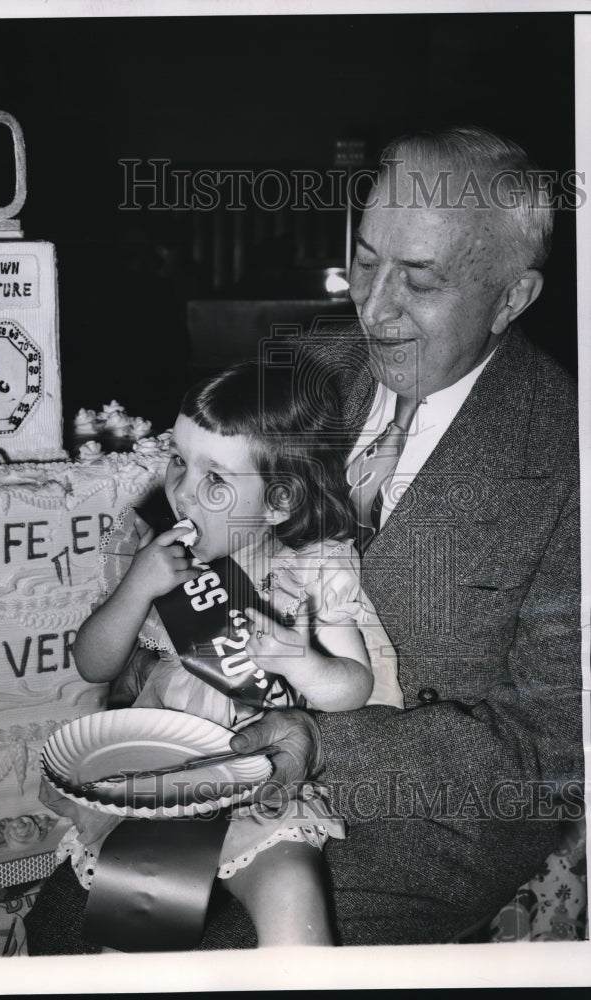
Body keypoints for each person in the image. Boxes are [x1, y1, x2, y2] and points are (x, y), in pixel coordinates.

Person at [210, 126, 583, 947]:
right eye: (367, 258)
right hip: (226, 741)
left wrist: (321, 744)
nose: (372, 309)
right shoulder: (306, 363)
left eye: (418, 280)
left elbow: (556, 747)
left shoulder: (567, 453)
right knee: (90, 919)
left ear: (512, 298)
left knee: (223, 955)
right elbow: (192, 522)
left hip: (421, 819)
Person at [41, 360, 403, 949]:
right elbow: (93, 664)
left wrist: (301, 663)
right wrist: (137, 587)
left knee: (294, 894)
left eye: (217, 480)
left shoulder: (315, 566)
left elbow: (355, 687)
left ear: (279, 502)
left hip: (263, 781)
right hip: (166, 781)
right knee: (132, 931)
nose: (182, 490)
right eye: (179, 459)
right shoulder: (157, 554)